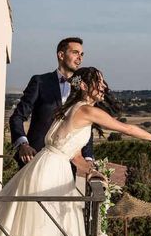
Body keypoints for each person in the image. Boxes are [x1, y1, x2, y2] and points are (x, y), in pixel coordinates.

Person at [0, 67, 151, 236]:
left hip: (46, 167)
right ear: (83, 86)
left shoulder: (68, 109)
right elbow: (126, 128)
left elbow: (74, 155)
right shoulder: (87, 110)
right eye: (98, 82)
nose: (103, 86)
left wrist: (91, 170)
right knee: (46, 225)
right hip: (51, 173)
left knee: (37, 225)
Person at [9, 37, 94, 174]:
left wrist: (88, 158)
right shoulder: (40, 82)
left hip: (67, 164)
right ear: (61, 55)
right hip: (35, 159)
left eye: (82, 54)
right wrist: (23, 145)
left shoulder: (83, 88)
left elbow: (85, 126)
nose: (80, 58)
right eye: (75, 53)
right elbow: (17, 117)